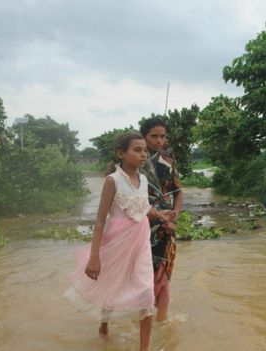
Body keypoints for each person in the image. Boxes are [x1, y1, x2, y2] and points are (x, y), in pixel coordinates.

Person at [66, 132, 172, 351]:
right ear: (121, 153)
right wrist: (94, 256)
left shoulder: (143, 179)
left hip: (141, 243)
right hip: (116, 242)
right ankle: (104, 325)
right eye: (137, 150)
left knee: (146, 293)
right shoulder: (112, 180)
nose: (143, 154)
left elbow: (141, 206)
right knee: (111, 284)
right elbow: (99, 219)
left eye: (144, 150)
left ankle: (144, 348)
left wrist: (160, 214)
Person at [139, 118, 183, 322]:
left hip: (165, 226)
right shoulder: (135, 160)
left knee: (164, 273)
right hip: (139, 225)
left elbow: (178, 191)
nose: (159, 140)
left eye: (163, 136)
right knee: (142, 274)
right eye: (154, 136)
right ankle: (143, 316)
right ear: (144, 137)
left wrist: (175, 214)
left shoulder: (168, 163)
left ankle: (162, 321)